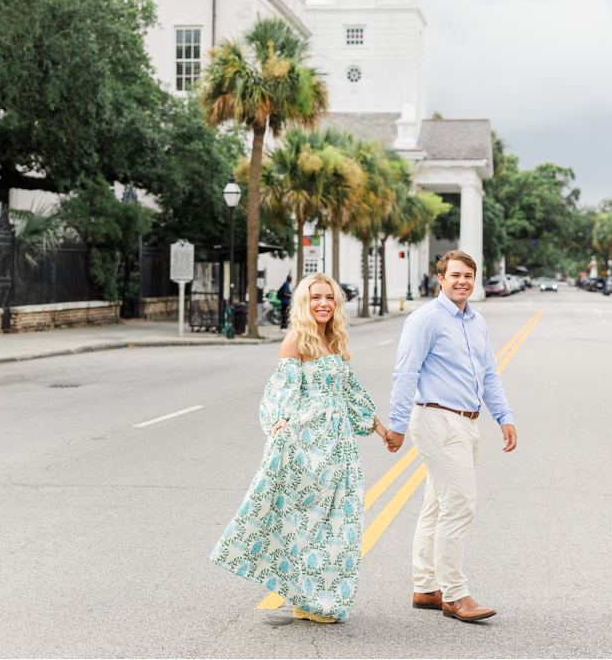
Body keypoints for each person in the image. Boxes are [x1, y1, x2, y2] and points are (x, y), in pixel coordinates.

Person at [210, 273, 391, 623]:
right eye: (315, 297)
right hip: (307, 447)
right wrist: (277, 421)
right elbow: (281, 389)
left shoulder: (334, 339)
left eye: (329, 297)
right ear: (303, 303)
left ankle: (318, 598)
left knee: (340, 523)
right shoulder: (296, 340)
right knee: (307, 526)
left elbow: (350, 391)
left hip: (339, 448)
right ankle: (305, 601)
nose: (323, 303)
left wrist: (380, 428)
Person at [384, 250, 518, 622]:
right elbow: (405, 373)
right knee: (460, 504)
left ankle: (426, 586)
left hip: (467, 422)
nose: (463, 282)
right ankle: (455, 594)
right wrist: (396, 425)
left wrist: (503, 416)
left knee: (438, 505)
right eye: (456, 275)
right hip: (436, 421)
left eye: (469, 276)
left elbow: (488, 374)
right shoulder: (425, 319)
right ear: (440, 278)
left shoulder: (475, 321)